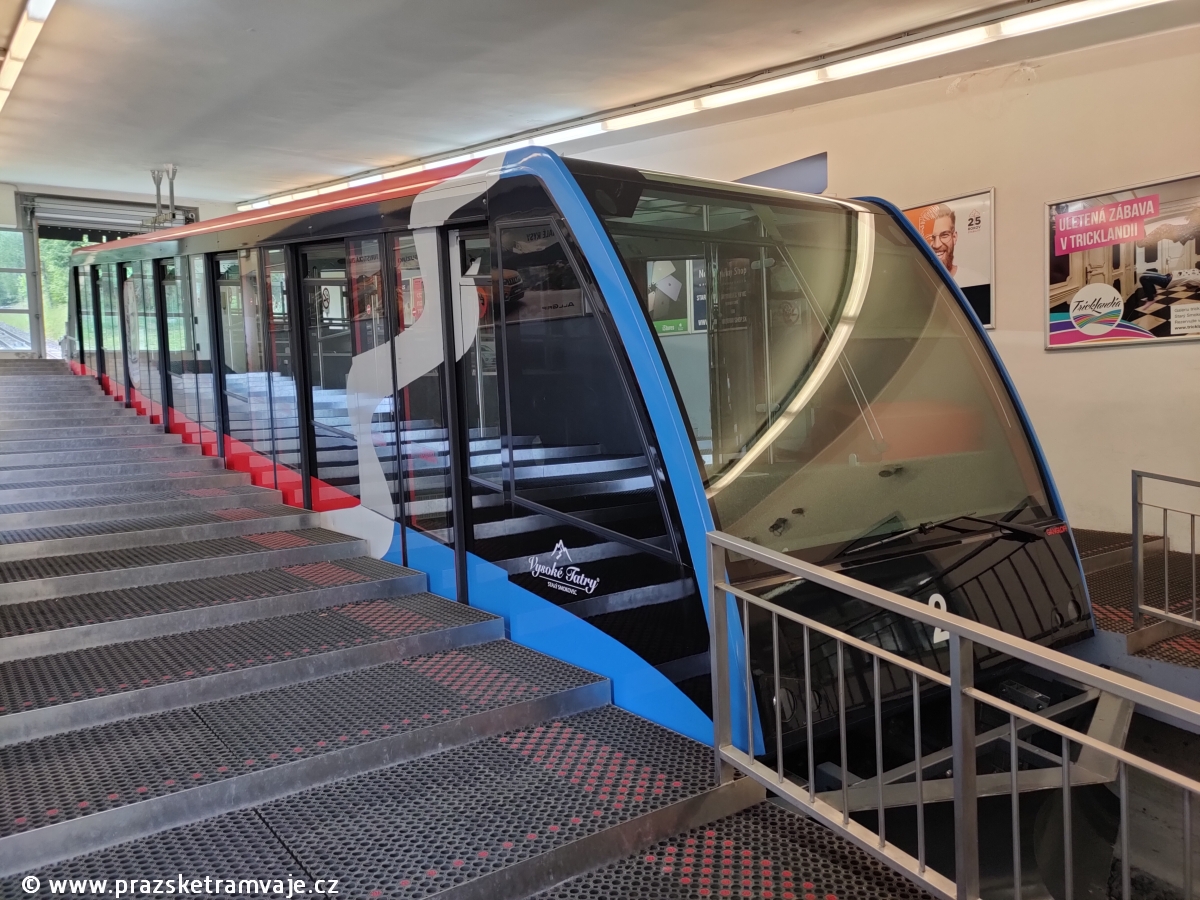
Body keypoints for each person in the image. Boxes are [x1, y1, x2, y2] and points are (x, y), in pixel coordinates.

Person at [923, 204, 958, 277]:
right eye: (930, 237)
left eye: (944, 235)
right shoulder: (915, 280)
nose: (937, 245)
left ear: (954, 237)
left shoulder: (974, 278)